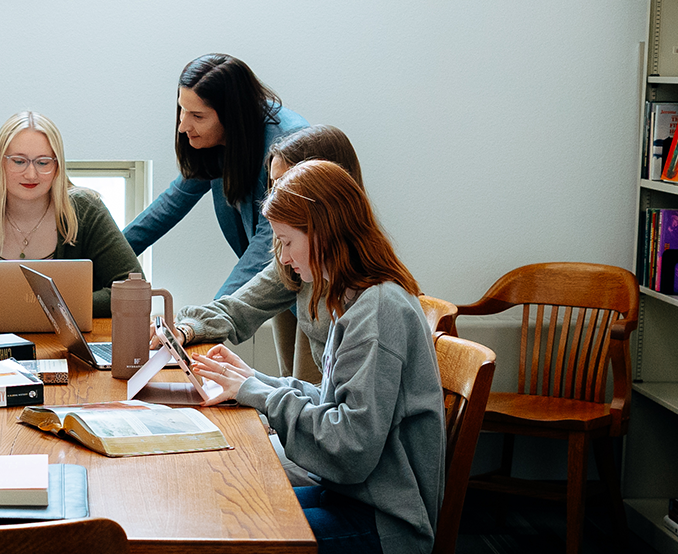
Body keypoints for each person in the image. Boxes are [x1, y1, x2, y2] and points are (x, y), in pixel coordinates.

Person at [190, 160, 443, 554]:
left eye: (287, 241)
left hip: (384, 522)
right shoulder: (357, 299)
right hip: (354, 497)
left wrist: (258, 394)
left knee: (233, 534)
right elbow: (333, 402)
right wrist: (253, 382)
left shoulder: (376, 312)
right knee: (226, 507)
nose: (284, 258)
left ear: (323, 232)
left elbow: (350, 448)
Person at [158, 125, 363, 385]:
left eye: (286, 186)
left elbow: (340, 412)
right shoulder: (296, 260)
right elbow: (239, 307)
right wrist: (186, 329)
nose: (273, 200)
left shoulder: (371, 297)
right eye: (273, 186)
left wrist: (252, 386)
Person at [0, 111, 141, 320]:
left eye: (43, 162)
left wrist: (50, 308)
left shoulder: (87, 211)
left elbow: (135, 289)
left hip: (70, 351)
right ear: (1, 162)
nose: (31, 173)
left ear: (58, 166)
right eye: (19, 161)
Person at [123, 53, 310, 299]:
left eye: (197, 116)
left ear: (231, 115)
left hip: (310, 281)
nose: (183, 125)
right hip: (277, 275)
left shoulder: (286, 144)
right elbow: (169, 205)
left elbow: (267, 243)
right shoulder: (217, 141)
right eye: (182, 110)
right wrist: (101, 259)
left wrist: (205, 318)